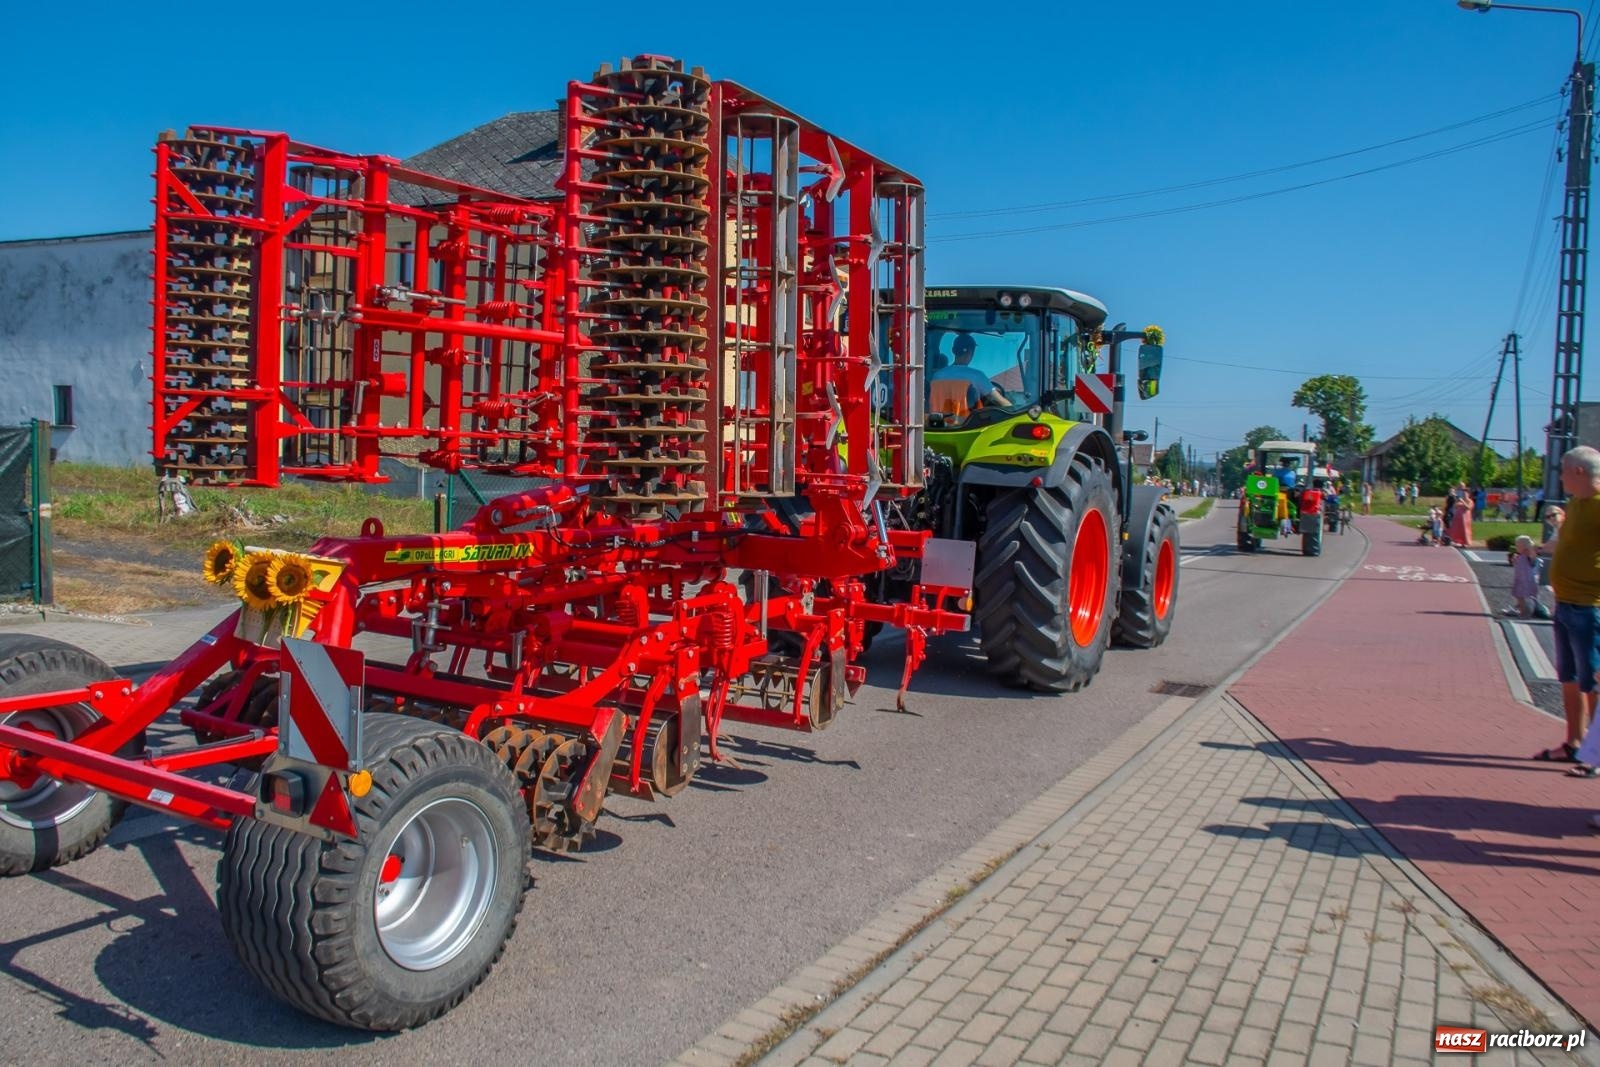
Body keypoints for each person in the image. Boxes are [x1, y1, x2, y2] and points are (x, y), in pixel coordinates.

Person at [1534, 448, 1600, 769]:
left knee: (1593, 680)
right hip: (1565, 604)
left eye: (1562, 470)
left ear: (1578, 472)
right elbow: (1565, 543)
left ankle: (1594, 753)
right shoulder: (1576, 505)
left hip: (1591, 608)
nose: (1558, 475)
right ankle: (1574, 741)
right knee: (1570, 676)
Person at [928, 333, 1006, 417]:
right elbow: (999, 401)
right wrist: (1015, 411)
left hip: (938, 425)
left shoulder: (937, 376)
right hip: (966, 425)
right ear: (971, 352)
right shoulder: (977, 376)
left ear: (953, 350)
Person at [1506, 535, 1541, 617]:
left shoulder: (1529, 556)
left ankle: (1525, 613)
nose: (1516, 547)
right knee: (1520, 597)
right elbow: (1516, 566)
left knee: (1524, 598)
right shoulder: (1519, 556)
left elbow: (1533, 553)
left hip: (1527, 581)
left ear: (1525, 547)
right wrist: (1514, 561)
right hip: (1520, 580)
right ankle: (1521, 610)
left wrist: (1530, 546)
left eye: (1518, 546)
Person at [1448, 481, 1473, 547]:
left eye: (1466, 494)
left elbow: (1468, 507)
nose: (1464, 495)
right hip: (1458, 518)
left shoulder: (1470, 501)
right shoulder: (1458, 499)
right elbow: (1455, 505)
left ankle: (1466, 542)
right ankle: (1457, 541)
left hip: (1466, 519)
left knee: (1465, 531)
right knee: (1457, 530)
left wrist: (1462, 501)